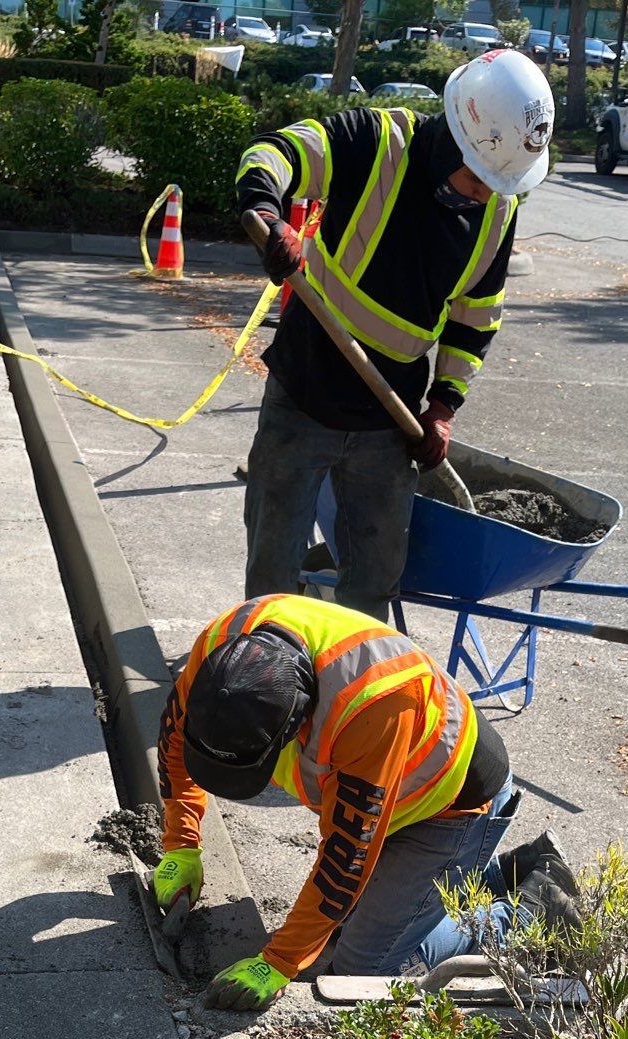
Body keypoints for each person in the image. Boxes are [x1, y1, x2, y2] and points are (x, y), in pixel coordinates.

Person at [236, 49, 556, 622]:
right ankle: (264, 681)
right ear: (455, 138)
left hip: (391, 422)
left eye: (498, 183)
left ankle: (350, 692)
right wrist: (267, 209)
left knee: (374, 581)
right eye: (479, 177)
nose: (486, 193)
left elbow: (475, 316)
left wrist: (443, 406)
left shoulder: (497, 211)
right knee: (273, 566)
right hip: (304, 394)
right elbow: (276, 152)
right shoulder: (376, 142)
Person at [152, 594, 579, 1011]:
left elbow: (345, 858)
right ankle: (507, 872)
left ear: (295, 723)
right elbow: (173, 740)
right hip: (394, 794)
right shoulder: (223, 652)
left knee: (362, 973)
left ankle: (534, 908)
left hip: (448, 807)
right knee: (339, 927)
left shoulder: (370, 708)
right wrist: (181, 844)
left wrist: (278, 962)